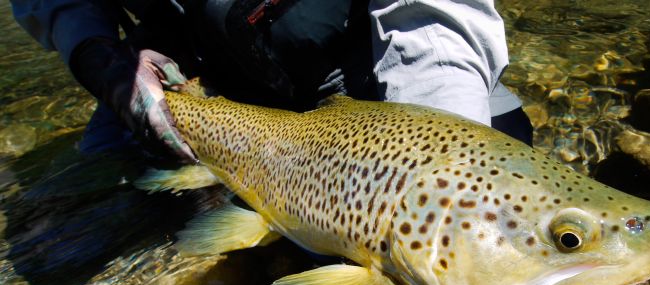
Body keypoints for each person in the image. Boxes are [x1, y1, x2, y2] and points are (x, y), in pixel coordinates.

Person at [11, 0, 533, 162]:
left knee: (496, 147)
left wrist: (434, 164)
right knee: (99, 176)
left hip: (365, 64)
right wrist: (96, 56)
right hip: (191, 64)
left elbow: (433, 16)